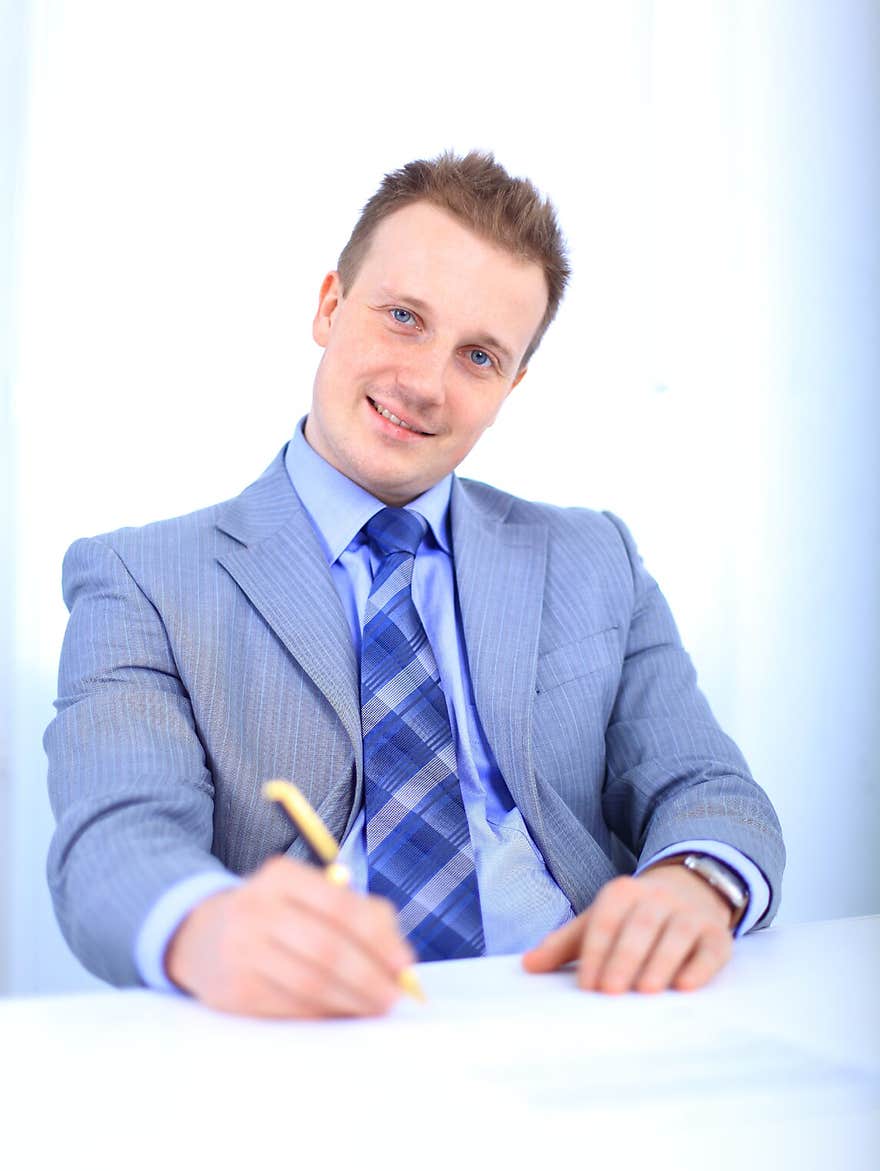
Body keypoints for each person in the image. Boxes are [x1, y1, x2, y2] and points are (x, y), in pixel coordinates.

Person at [44, 150, 785, 1019]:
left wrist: (693, 883)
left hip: (584, 1010)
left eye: (478, 356)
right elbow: (111, 841)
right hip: (311, 1031)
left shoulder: (595, 558)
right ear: (329, 307)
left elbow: (709, 788)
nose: (425, 384)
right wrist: (206, 927)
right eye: (403, 317)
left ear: (512, 384)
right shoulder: (144, 578)